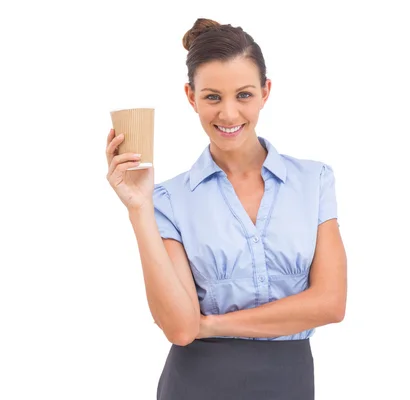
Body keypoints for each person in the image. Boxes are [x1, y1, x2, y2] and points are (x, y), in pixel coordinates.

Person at [105, 17, 347, 400]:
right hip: (195, 384)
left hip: (290, 384)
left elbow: (331, 303)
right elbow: (181, 329)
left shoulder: (313, 181)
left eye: (244, 95)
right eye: (212, 97)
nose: (229, 115)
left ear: (266, 92)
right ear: (191, 96)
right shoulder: (169, 200)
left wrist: (213, 324)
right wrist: (139, 208)